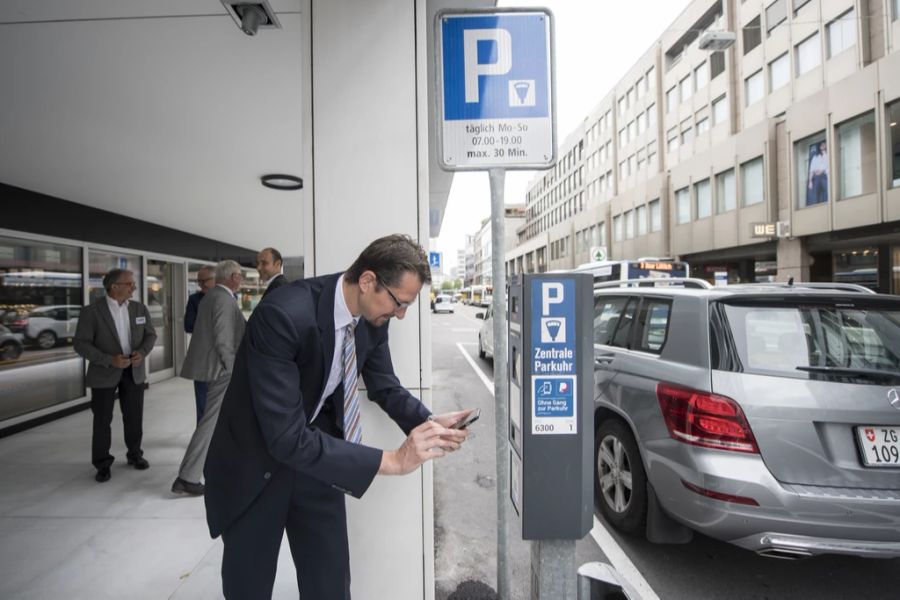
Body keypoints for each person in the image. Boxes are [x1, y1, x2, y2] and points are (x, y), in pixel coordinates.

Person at [204, 234, 473, 599]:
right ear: (367, 281)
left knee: (330, 584)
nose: (400, 314)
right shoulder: (282, 315)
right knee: (248, 586)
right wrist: (392, 460)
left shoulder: (374, 318)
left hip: (315, 460)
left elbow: (383, 385)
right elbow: (284, 436)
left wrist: (427, 421)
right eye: (399, 303)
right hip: (255, 463)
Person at [73, 268, 157, 483]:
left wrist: (142, 353)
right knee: (102, 420)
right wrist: (109, 360)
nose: (134, 287)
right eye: (130, 284)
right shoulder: (92, 312)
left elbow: (150, 335)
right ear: (114, 286)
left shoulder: (139, 308)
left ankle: (135, 454)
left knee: (134, 417)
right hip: (104, 372)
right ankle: (102, 463)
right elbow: (81, 344)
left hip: (133, 371)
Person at [173, 260, 246, 496]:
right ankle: (187, 477)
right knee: (209, 423)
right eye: (240, 275)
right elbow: (223, 338)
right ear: (233, 277)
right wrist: (234, 369)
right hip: (219, 370)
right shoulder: (223, 298)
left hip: (213, 368)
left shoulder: (213, 295)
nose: (242, 279)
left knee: (213, 422)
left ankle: (199, 472)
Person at [184, 265, 216, 423]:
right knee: (203, 402)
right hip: (202, 358)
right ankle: (202, 442)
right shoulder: (194, 299)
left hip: (223, 359)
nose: (201, 284)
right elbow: (188, 325)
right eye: (199, 281)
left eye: (205, 280)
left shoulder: (228, 297)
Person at [807, 140, 828, 205]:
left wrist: (822, 170)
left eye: (824, 144)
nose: (823, 146)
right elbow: (811, 170)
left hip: (824, 176)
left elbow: (829, 166)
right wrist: (810, 181)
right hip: (816, 177)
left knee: (827, 192)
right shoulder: (815, 157)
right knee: (815, 194)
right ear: (819, 146)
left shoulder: (827, 155)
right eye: (822, 145)